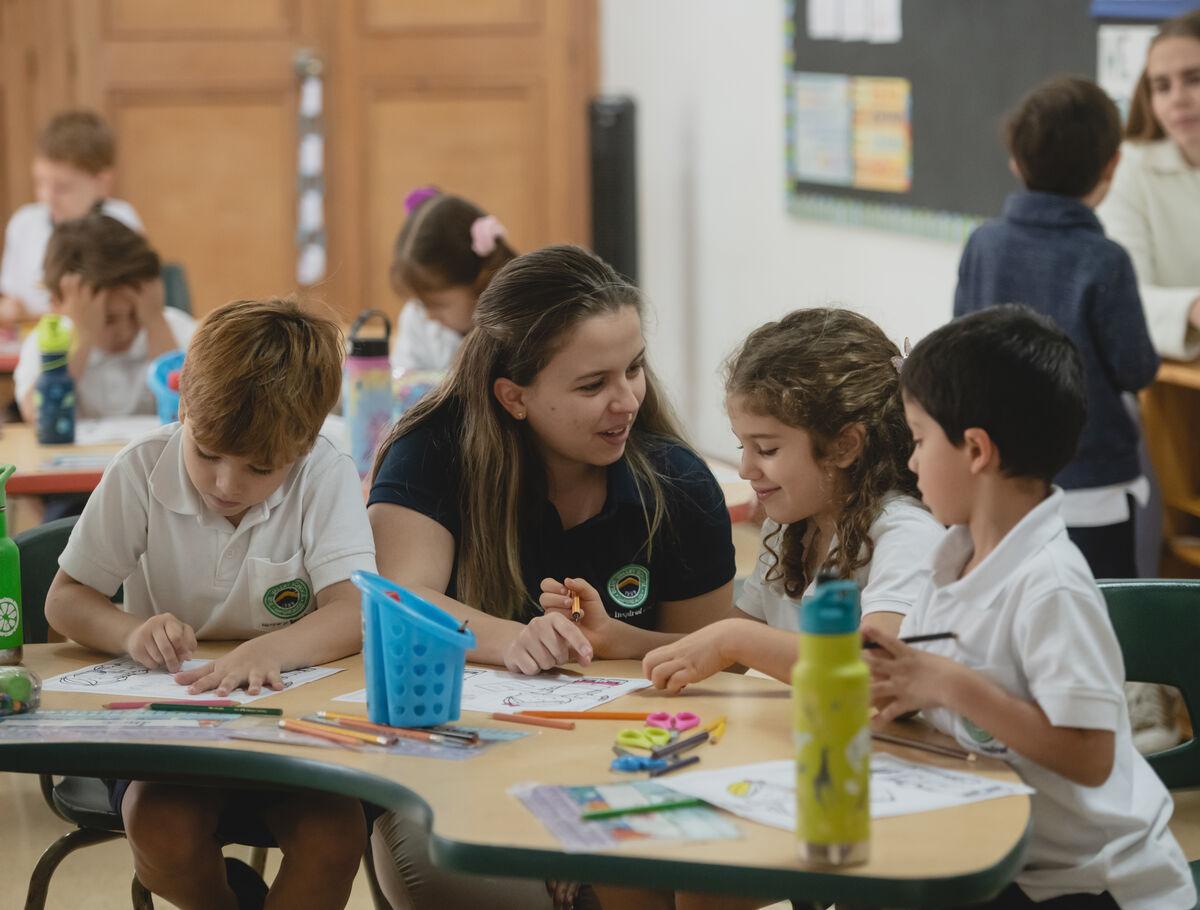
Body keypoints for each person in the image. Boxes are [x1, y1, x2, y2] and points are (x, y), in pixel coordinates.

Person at [368, 244, 735, 910]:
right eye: (592, 386)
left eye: (634, 369)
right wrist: (514, 638)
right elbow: (400, 600)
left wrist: (620, 642)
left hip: (628, 763)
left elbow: (711, 665)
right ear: (513, 397)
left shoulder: (677, 481)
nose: (626, 401)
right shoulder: (432, 450)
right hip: (464, 766)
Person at [43, 298, 377, 910]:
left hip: (292, 726)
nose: (226, 484)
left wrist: (270, 649)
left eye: (259, 468)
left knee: (335, 837)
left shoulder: (324, 473)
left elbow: (355, 609)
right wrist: (130, 632)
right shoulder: (142, 468)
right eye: (206, 453)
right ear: (183, 408)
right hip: (170, 735)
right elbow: (66, 600)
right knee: (159, 828)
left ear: (303, 444)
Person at [869, 305, 1195, 910]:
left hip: (1097, 884)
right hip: (1010, 859)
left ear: (975, 450)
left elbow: (1091, 757)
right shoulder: (952, 557)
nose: (911, 462)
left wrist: (951, 686)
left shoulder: (1051, 586)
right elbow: (922, 688)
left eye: (918, 440)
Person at [635, 308, 944, 694]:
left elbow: (878, 670)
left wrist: (735, 640)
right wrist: (616, 639)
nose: (746, 469)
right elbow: (716, 652)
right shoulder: (790, 527)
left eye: (766, 449)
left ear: (844, 446)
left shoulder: (905, 535)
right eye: (742, 446)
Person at [954, 77, 1159, 581]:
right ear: (1112, 165)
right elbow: (1135, 369)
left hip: (999, 478)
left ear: (1016, 162)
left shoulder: (983, 243)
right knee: (1101, 606)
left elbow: (959, 348)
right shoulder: (1105, 259)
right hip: (1092, 489)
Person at [14, 212, 194, 423]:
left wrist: (155, 322)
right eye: (107, 319)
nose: (124, 331)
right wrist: (84, 334)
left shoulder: (179, 330)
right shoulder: (49, 343)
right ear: (57, 304)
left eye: (135, 316)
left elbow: (196, 409)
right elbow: (39, 414)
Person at [1097, 10, 1200, 361]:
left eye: (1194, 79)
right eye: (1162, 86)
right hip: (1167, 378)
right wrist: (1192, 308)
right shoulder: (1129, 168)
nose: (1178, 99)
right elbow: (1123, 297)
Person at [0, 110, 142, 324]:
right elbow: (10, 296)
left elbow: (128, 304)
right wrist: (10, 308)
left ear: (102, 183)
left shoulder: (121, 222)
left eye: (62, 188)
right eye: (40, 183)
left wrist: (35, 315)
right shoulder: (25, 222)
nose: (47, 197)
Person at [389, 185, 517, 373]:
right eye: (421, 303)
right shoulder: (416, 318)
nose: (429, 315)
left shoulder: (516, 326)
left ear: (481, 284)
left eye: (439, 305)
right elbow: (405, 378)